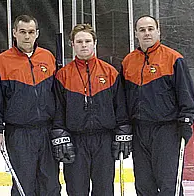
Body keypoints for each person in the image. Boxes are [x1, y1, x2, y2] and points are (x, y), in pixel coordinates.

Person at [122, 15, 194, 195]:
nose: (146, 33)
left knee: (168, 181)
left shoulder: (173, 58)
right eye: (142, 30)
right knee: (143, 183)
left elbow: (186, 94)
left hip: (167, 129)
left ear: (158, 31)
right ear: (135, 34)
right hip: (139, 130)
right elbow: (123, 98)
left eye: (150, 29)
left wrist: (186, 120)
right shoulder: (128, 62)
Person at [52, 23, 132, 195]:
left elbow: (120, 107)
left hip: (104, 140)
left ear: (94, 43)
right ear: (72, 44)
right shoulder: (63, 75)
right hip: (76, 140)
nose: (84, 45)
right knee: (76, 190)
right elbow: (58, 109)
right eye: (79, 41)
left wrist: (123, 129)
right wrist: (60, 134)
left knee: (104, 190)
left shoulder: (110, 72)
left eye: (87, 41)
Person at [0, 14, 61, 195]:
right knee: (23, 183)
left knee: (50, 182)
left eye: (31, 32)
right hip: (18, 133)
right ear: (14, 33)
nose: (27, 36)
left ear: (37, 34)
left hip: (46, 131)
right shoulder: (2, 62)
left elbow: (57, 96)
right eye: (23, 32)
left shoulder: (48, 57)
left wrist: (59, 127)